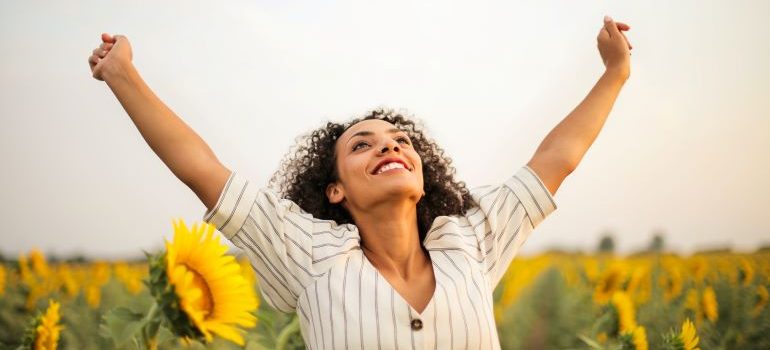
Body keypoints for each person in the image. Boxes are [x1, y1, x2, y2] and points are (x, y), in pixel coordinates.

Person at [88, 15, 632, 349]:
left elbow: (557, 158)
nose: (389, 146)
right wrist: (122, 73)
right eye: (362, 144)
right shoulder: (308, 254)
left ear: (423, 179)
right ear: (335, 190)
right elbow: (202, 169)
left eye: (400, 140)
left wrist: (614, 74)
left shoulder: (470, 242)